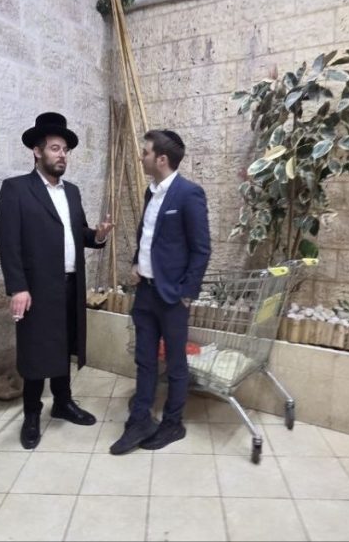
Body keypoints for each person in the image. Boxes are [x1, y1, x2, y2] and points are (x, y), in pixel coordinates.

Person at [0, 112, 113, 449]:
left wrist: (97, 235)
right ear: (37, 151)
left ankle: (62, 402)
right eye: (55, 148)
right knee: (35, 351)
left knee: (64, 346)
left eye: (65, 150)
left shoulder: (72, 192)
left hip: (71, 285)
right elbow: (8, 242)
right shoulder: (16, 189)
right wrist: (18, 287)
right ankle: (32, 414)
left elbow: (78, 232)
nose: (62, 155)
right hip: (36, 288)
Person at [110, 130, 211, 455]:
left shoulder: (189, 194)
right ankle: (140, 420)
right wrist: (136, 263)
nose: (142, 157)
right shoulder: (150, 192)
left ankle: (173, 423)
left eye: (146, 152)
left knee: (176, 362)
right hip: (146, 293)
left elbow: (201, 249)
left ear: (162, 159)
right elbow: (149, 236)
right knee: (144, 359)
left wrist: (187, 292)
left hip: (172, 297)